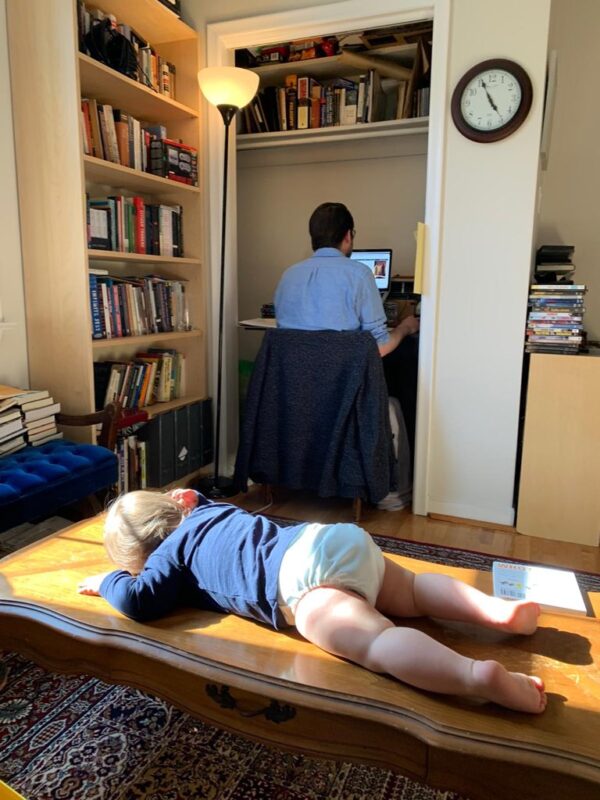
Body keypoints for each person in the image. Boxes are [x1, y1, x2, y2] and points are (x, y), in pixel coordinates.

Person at [78, 489, 546, 714]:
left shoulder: (168, 556)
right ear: (178, 504)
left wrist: (111, 579)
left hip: (301, 582)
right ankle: (496, 611)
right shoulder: (206, 508)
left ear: (143, 557)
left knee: (378, 643)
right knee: (417, 589)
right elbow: (194, 497)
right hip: (332, 539)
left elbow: (141, 602)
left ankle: (473, 675)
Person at [274, 202, 420, 358]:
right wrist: (405, 327)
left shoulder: (288, 276)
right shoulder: (360, 274)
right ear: (348, 235)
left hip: (294, 379)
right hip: (343, 379)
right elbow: (379, 347)